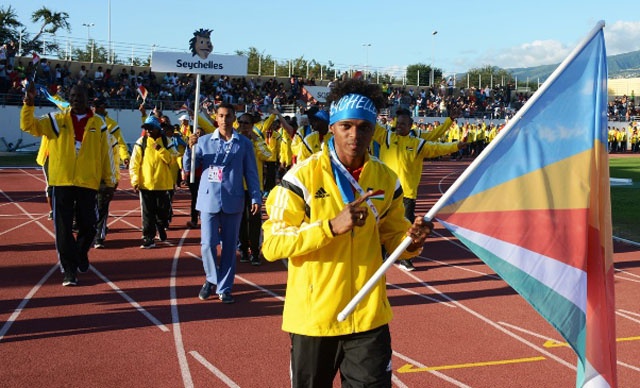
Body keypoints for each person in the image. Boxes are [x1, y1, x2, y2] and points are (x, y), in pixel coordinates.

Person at [261, 78, 432, 387]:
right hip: (315, 320)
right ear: (333, 128)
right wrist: (329, 227)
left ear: (373, 130)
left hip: (367, 315)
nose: (355, 135)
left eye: (364, 127)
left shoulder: (386, 179)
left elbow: (394, 240)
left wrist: (412, 241)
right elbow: (272, 244)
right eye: (346, 127)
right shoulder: (301, 177)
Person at [20, 83, 116, 286]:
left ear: (87, 98)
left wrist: (109, 181)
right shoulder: (56, 119)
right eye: (72, 96)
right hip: (61, 181)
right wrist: (28, 104)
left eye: (79, 96)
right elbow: (29, 126)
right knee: (63, 229)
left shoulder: (99, 123)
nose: (75, 99)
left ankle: (80, 253)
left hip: (87, 183)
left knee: (89, 226)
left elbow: (105, 154)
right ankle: (69, 271)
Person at [183, 102, 261, 304]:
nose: (224, 119)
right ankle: (211, 278)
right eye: (221, 116)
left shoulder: (244, 143)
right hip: (208, 198)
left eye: (228, 116)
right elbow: (188, 167)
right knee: (208, 244)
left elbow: (251, 172)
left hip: (233, 199)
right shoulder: (204, 141)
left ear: (233, 118)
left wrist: (255, 196)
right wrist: (189, 148)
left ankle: (224, 287)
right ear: (215, 118)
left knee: (228, 247)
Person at [374, 107, 466, 271]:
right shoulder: (386, 136)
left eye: (403, 124)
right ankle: (379, 256)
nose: (399, 126)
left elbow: (437, 146)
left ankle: (404, 259)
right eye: (398, 123)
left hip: (407, 193)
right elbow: (369, 126)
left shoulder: (417, 142)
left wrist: (456, 145)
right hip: (384, 191)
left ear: (411, 126)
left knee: (407, 228)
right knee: (380, 224)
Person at [129, 115, 178, 248]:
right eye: (146, 129)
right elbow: (134, 163)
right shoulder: (141, 142)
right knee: (147, 213)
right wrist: (135, 180)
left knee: (163, 212)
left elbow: (173, 159)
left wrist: (160, 150)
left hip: (163, 184)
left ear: (157, 128)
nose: (149, 131)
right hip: (146, 184)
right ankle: (148, 238)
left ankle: (161, 225)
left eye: (151, 128)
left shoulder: (167, 142)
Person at [92, 97, 131, 248]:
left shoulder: (111, 125)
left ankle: (99, 237)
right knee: (87, 205)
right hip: (88, 171)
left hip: (105, 172)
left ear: (104, 108)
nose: (95, 109)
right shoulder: (88, 121)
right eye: (93, 106)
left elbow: (120, 143)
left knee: (102, 205)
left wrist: (125, 157)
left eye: (98, 106)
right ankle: (92, 229)